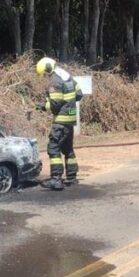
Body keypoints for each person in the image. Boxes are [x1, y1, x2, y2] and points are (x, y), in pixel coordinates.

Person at [35, 56, 83, 191]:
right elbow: (79, 94)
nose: (45, 76)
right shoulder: (67, 76)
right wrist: (69, 103)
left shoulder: (54, 80)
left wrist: (43, 106)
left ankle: (56, 179)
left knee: (53, 147)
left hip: (61, 120)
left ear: (48, 68)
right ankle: (72, 177)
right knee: (68, 148)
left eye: (44, 73)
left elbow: (55, 105)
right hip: (70, 118)